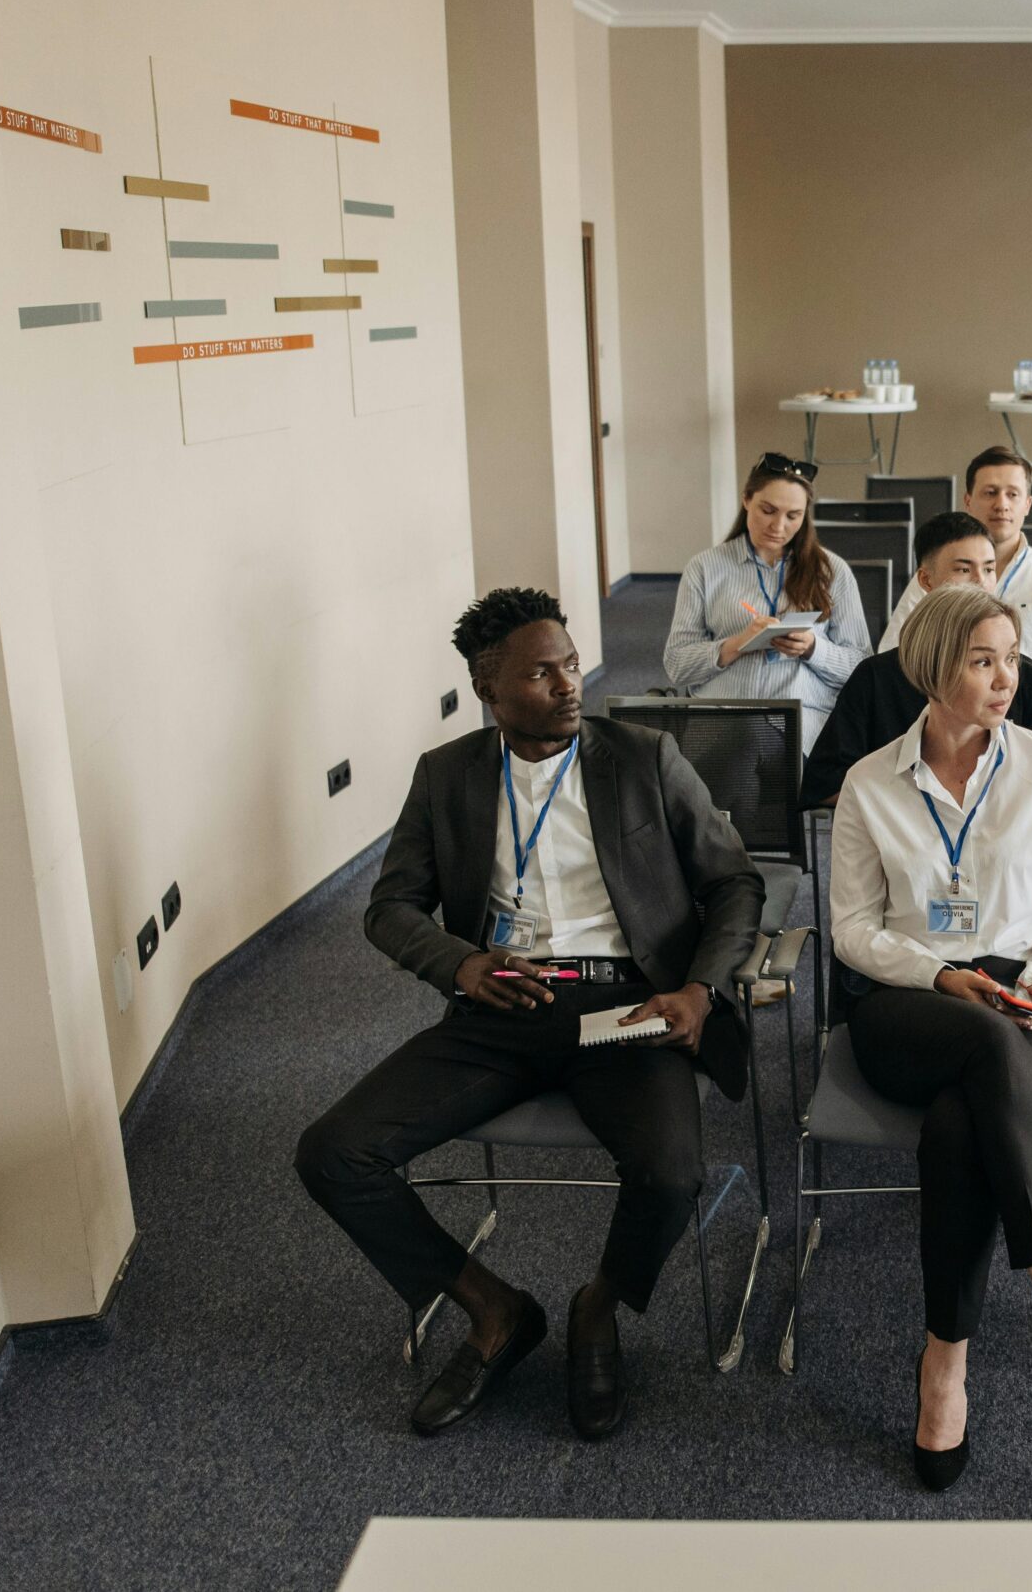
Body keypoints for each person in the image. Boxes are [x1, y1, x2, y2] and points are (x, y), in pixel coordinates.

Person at [295, 588, 763, 1440]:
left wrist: (699, 990)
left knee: (670, 1175)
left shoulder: (644, 757)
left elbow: (735, 882)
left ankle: (598, 1305)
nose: (567, 682)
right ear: (489, 686)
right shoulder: (448, 776)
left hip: (626, 1006)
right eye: (541, 671)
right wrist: (462, 963)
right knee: (333, 1152)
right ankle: (492, 1307)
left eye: (572, 663)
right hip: (502, 1006)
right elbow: (389, 907)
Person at [829, 584, 1032, 1491]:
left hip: (1025, 992)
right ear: (933, 666)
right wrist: (936, 974)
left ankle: (944, 1367)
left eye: (1012, 657)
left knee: (961, 1128)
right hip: (907, 996)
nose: (1008, 676)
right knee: (983, 1048)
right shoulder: (868, 784)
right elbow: (852, 927)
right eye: (983, 660)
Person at [800, 510, 1032, 809]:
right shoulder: (876, 678)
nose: (981, 583)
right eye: (964, 570)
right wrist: (919, 807)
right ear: (926, 579)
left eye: (989, 569)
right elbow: (826, 785)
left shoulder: (1027, 680)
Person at [665, 452, 870, 751]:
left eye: (792, 516)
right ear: (746, 499)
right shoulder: (705, 568)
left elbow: (861, 666)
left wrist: (813, 649)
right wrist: (736, 644)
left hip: (801, 719)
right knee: (745, 745)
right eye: (768, 510)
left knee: (748, 753)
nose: (778, 526)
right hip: (722, 715)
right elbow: (677, 665)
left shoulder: (831, 571)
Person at [882, 446, 1032, 703]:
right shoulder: (938, 574)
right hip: (952, 718)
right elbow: (895, 655)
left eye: (1012, 494)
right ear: (968, 501)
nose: (1001, 504)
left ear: (1027, 504)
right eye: (990, 493)